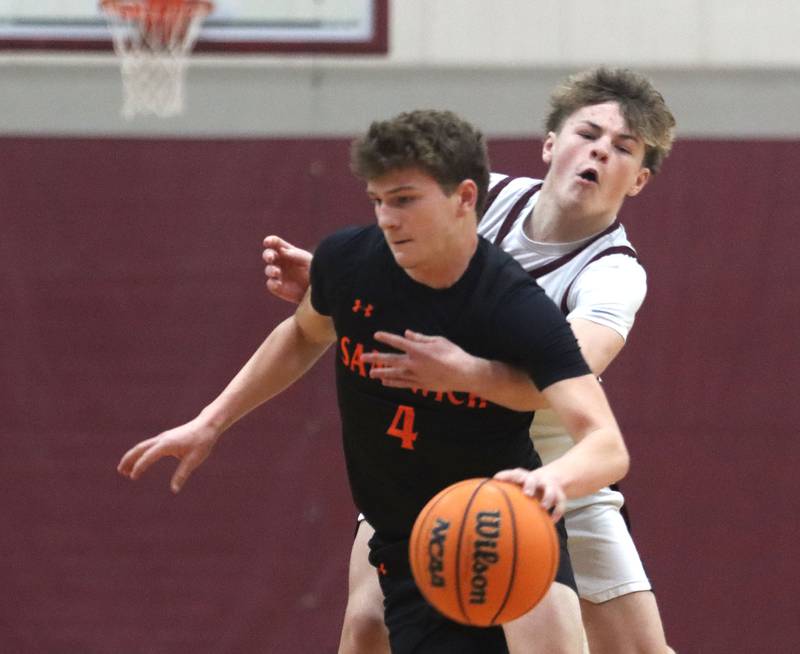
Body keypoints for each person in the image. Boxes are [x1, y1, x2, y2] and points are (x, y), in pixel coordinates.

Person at [119, 108, 630, 654]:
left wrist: (552, 482)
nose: (387, 218)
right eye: (378, 201)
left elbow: (607, 445)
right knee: (363, 632)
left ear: (463, 198)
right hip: (403, 535)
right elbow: (303, 334)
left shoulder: (513, 306)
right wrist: (210, 422)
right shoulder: (349, 261)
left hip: (489, 522)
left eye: (405, 200)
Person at [261, 68, 676, 654]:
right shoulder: (481, 198)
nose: (600, 152)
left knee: (638, 649)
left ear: (638, 180)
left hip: (551, 464)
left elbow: (554, 379)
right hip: (437, 446)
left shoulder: (613, 273)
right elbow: (389, 271)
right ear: (551, 144)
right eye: (589, 134)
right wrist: (328, 285)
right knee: (365, 625)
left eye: (623, 149)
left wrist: (463, 371)